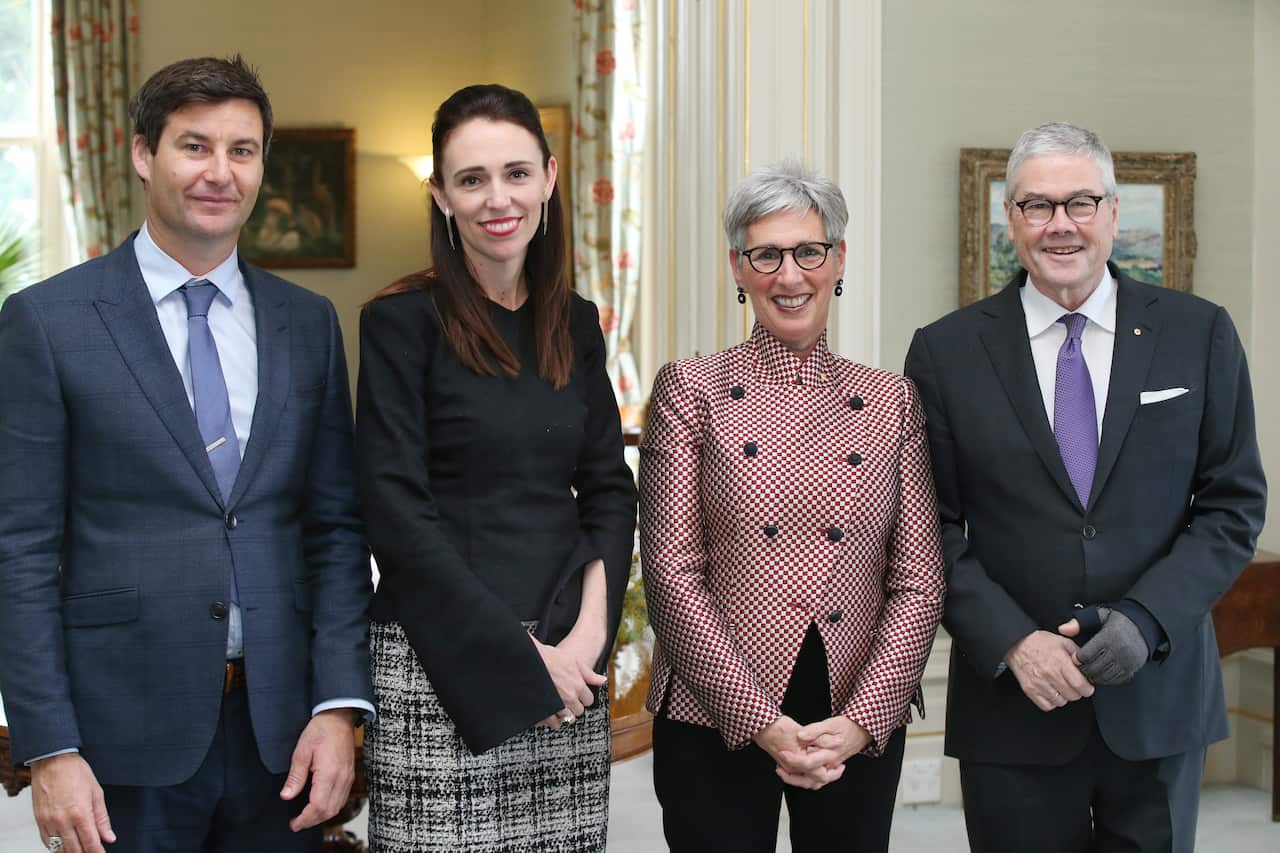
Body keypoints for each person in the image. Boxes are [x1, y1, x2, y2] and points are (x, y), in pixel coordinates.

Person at [0, 55, 374, 853]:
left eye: (242, 151)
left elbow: (336, 530)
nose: (220, 172)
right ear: (143, 153)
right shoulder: (47, 322)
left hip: (283, 737)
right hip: (119, 741)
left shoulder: (307, 324)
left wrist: (338, 706)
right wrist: (50, 746)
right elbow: (20, 549)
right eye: (194, 146)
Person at [905, 122, 1266, 853]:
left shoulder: (1200, 334)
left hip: (1159, 704)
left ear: (1112, 212)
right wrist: (1013, 643)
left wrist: (1146, 620)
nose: (1059, 224)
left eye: (1079, 202)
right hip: (1014, 707)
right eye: (1037, 206)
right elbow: (924, 527)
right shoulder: (945, 351)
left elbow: (1232, 505)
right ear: (1012, 218)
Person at [356, 83, 637, 852]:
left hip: (566, 663)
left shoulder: (574, 322)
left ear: (549, 177)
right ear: (441, 196)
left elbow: (610, 489)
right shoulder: (399, 322)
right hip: (442, 663)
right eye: (471, 180)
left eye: (515, 173)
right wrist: (519, 661)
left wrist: (587, 638)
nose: (496, 199)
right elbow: (394, 510)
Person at [639, 161, 946, 852]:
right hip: (712, 703)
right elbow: (670, 571)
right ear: (738, 268)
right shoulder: (692, 389)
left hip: (852, 704)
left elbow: (921, 578)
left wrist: (866, 718)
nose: (789, 275)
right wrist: (759, 721)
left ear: (838, 259)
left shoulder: (891, 399)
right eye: (766, 254)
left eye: (809, 251)